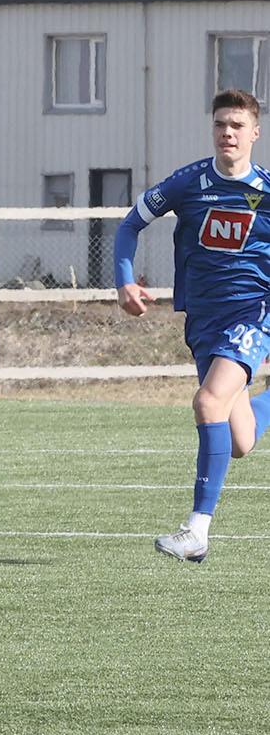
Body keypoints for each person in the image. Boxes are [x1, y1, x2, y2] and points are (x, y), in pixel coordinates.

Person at [116, 89, 270, 564]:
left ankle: (197, 531)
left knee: (207, 402)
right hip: (203, 321)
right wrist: (125, 281)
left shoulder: (266, 191)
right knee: (240, 440)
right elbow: (129, 225)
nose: (228, 132)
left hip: (252, 314)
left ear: (254, 133)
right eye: (220, 124)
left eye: (237, 125)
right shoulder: (188, 183)